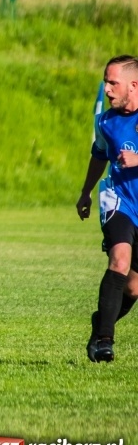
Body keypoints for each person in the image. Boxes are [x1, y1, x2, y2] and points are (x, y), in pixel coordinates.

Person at [76, 54, 138, 363]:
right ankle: (104, 340)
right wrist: (86, 192)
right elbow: (99, 155)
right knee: (120, 259)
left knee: (135, 288)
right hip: (118, 200)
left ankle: (101, 321)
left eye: (113, 82)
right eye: (106, 81)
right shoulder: (106, 121)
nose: (108, 89)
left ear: (133, 85)